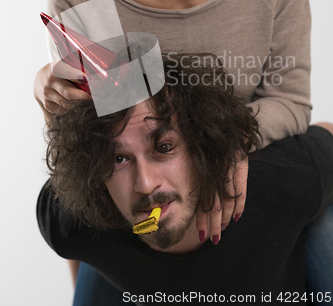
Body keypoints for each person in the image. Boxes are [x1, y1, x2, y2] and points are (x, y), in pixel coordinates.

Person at [33, 0, 333, 299]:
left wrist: (224, 150)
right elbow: (102, 145)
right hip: (146, 216)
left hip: (251, 187)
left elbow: (292, 104)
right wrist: (50, 94)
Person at [37, 54, 333, 305]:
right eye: (118, 159)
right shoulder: (68, 223)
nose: (146, 184)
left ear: (201, 145)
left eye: (164, 147)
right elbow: (73, 238)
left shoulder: (284, 180)